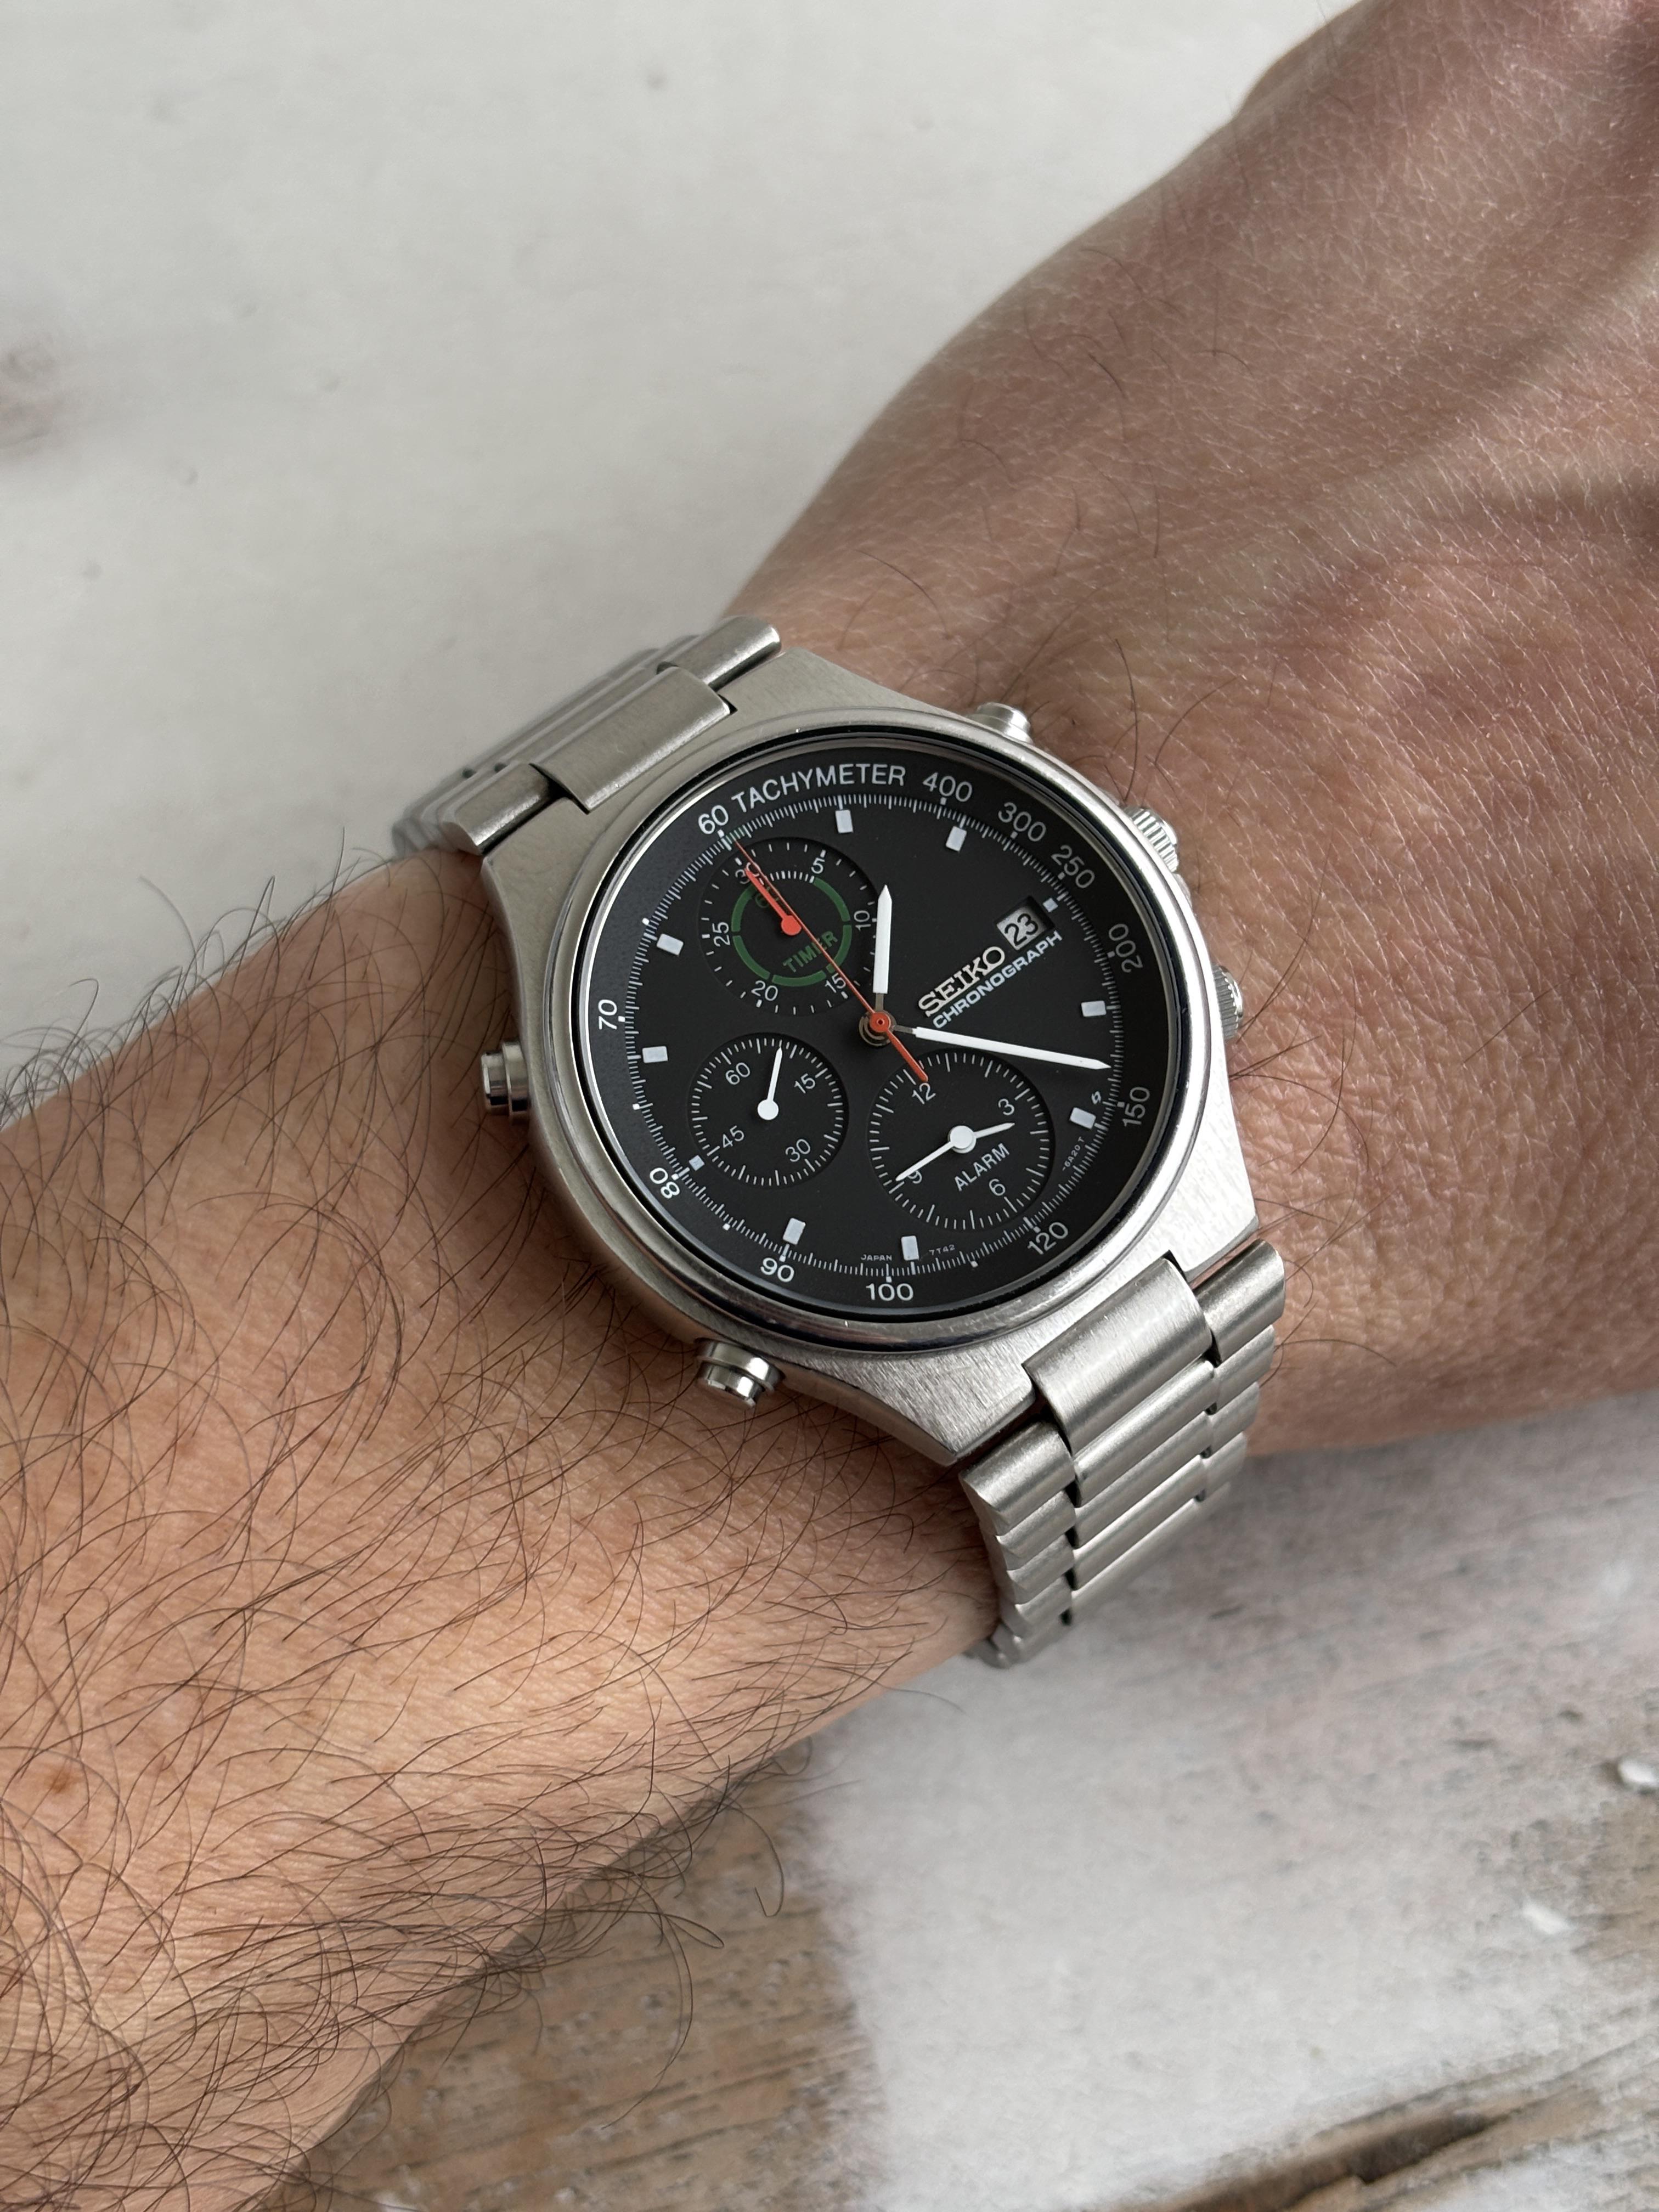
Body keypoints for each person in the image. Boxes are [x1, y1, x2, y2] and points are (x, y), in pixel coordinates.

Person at [3, 0, 1655, 2202]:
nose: (885, 1040)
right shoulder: (647, 1156)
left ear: (1144, 881)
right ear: (530, 1078)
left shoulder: (1063, 929)